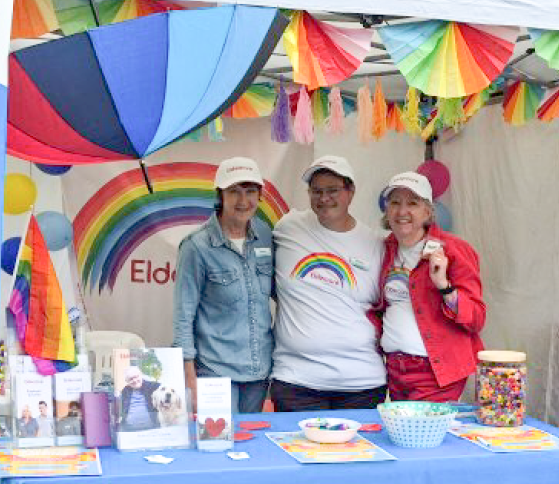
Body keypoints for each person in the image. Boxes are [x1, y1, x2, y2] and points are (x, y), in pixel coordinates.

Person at [271, 155, 386, 411]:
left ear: (351, 191)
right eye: (316, 191)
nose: (324, 198)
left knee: (359, 453)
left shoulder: (375, 244)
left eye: (333, 190)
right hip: (296, 382)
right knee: (297, 451)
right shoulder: (287, 228)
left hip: (362, 384)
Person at [372, 171, 486, 401]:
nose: (402, 211)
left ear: (427, 211)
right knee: (404, 435)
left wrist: (444, 286)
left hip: (434, 372)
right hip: (394, 370)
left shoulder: (453, 250)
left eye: (412, 203)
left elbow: (476, 318)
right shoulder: (384, 249)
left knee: (422, 435)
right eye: (395, 202)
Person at [173, 157, 273, 414]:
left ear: (260, 195)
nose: (243, 201)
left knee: (251, 446)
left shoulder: (266, 236)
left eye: (250, 192)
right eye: (234, 192)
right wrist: (189, 379)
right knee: (216, 448)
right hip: (213, 372)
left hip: (259, 371)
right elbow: (183, 317)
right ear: (220, 195)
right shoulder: (196, 246)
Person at [118, 365, 159, 431]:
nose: (135, 380)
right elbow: (120, 410)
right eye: (131, 379)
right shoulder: (125, 391)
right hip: (129, 431)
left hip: (151, 430)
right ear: (127, 381)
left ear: (141, 375)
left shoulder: (153, 386)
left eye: (136, 377)